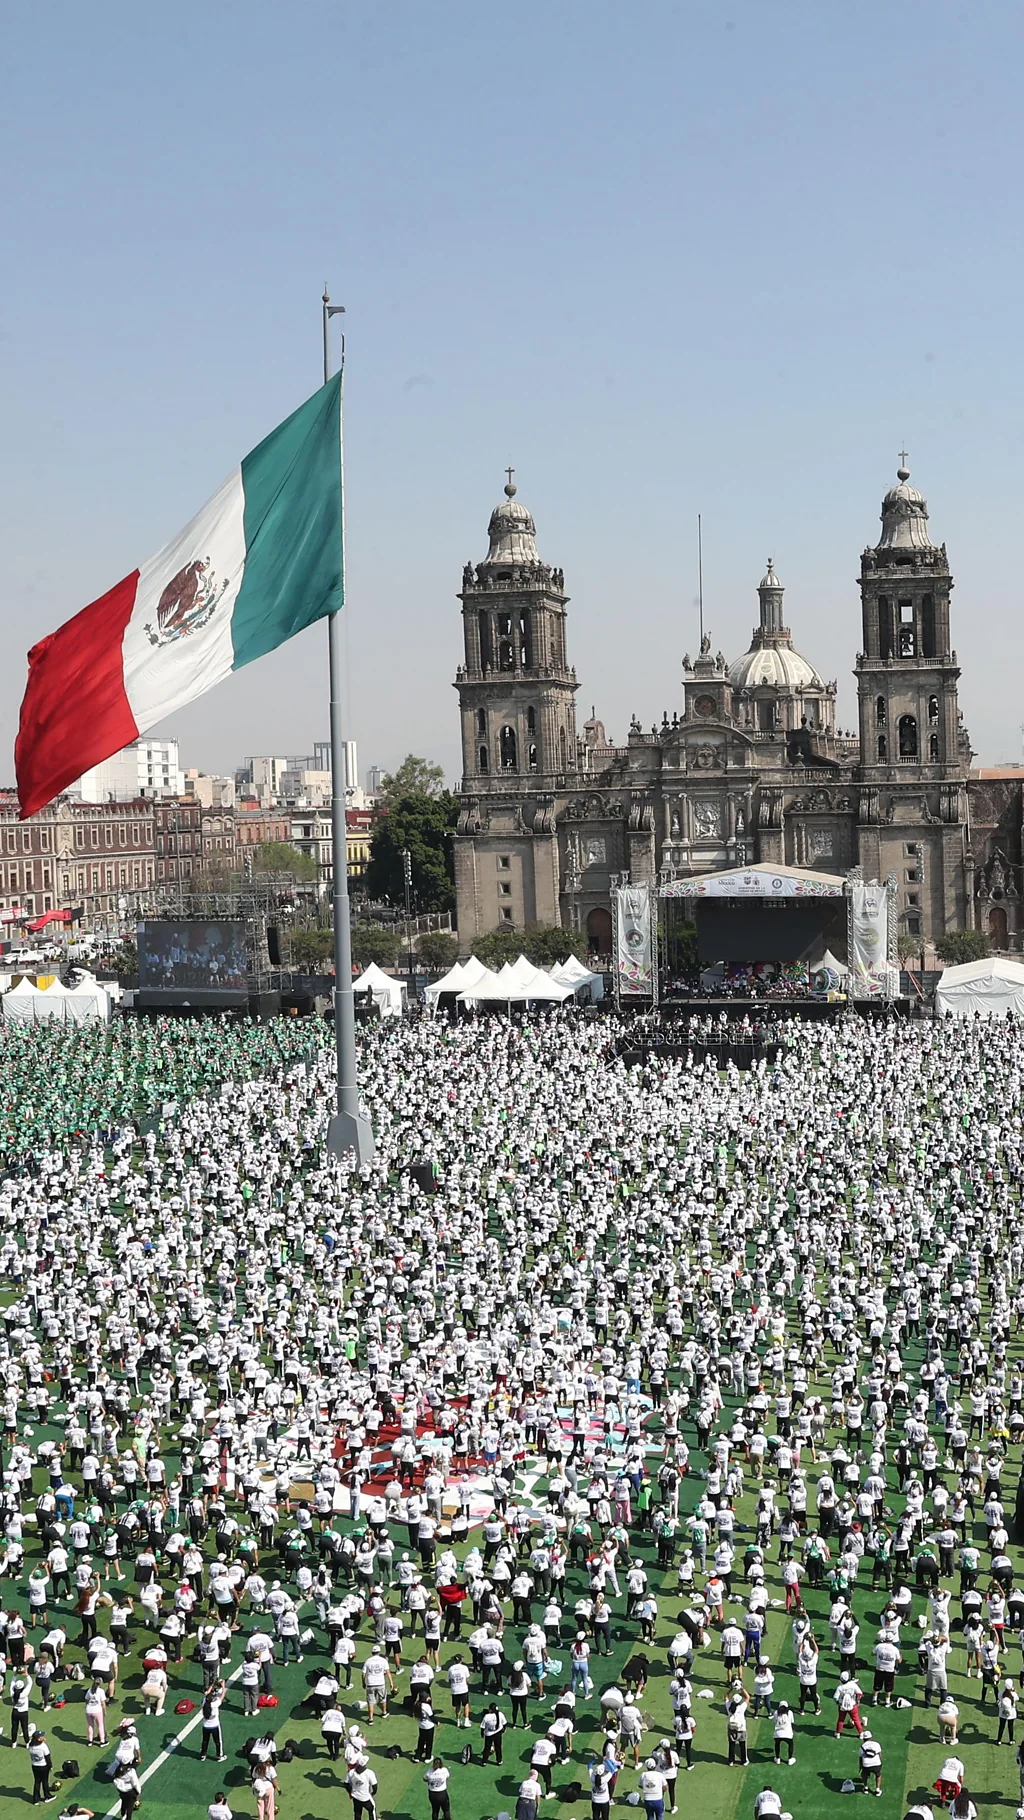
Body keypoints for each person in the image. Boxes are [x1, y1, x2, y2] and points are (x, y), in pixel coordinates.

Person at [29, 1731, 54, 1805]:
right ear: (38, 1739)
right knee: (45, 1781)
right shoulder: (43, 1746)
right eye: (41, 1736)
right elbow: (48, 1758)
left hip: (34, 1766)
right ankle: (47, 1796)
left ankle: (36, 1799)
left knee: (37, 1782)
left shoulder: (31, 1745)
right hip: (43, 1766)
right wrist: (50, 1766)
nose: (43, 1737)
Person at [859, 1730, 883, 1797]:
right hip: (876, 1763)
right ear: (871, 1738)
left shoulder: (862, 1747)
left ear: (863, 1739)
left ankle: (865, 1788)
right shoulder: (876, 1744)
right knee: (878, 1775)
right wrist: (880, 1763)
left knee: (864, 1774)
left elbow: (860, 1759)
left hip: (866, 1765)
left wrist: (860, 1767)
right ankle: (877, 1790)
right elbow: (880, 1755)